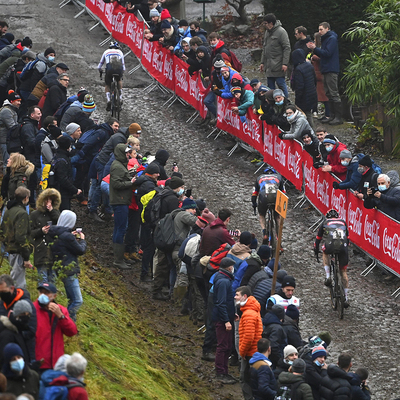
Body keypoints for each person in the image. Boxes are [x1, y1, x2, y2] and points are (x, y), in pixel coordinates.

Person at [49, 211, 86, 321]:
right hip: (68, 269)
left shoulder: (53, 231)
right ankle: (67, 322)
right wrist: (82, 240)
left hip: (58, 267)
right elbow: (81, 250)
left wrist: (71, 236)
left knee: (72, 298)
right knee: (77, 300)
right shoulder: (67, 237)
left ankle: (70, 323)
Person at [33, 282, 77, 371]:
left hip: (56, 364)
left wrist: (61, 316)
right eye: (41, 292)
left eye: (46, 292)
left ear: (54, 296)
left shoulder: (61, 310)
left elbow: (72, 332)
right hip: (38, 362)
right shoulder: (32, 309)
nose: (43, 295)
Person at [306, 22, 342, 125]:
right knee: (328, 92)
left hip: (331, 68)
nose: (319, 31)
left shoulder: (331, 39)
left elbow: (327, 53)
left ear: (327, 29)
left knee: (333, 92)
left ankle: (338, 117)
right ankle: (332, 115)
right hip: (326, 68)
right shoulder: (327, 39)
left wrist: (315, 49)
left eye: (321, 29)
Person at [314, 209, 350, 306]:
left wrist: (316, 251)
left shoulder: (325, 222)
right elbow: (348, 239)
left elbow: (318, 239)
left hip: (330, 245)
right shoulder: (343, 222)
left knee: (325, 253)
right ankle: (346, 298)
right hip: (343, 246)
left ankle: (328, 276)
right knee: (343, 272)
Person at [0, 275, 37, 364]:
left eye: (3, 292)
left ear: (12, 288)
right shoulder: (2, 305)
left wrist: (14, 334)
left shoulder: (25, 305)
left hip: (23, 351)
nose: (2, 295)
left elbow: (31, 331)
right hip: (4, 351)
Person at [110, 143, 136, 269]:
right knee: (121, 229)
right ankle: (118, 259)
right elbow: (116, 184)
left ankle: (118, 257)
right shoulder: (117, 166)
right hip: (120, 201)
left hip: (121, 200)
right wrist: (130, 182)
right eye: (126, 153)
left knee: (119, 228)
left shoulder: (120, 165)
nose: (128, 155)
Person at [1, 187, 33, 289]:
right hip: (18, 251)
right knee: (18, 284)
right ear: (26, 198)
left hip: (10, 249)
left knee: (14, 278)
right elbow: (21, 237)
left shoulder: (9, 211)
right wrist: (26, 257)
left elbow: (2, 229)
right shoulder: (22, 213)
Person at [235, 286, 263, 400]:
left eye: (237, 295)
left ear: (244, 296)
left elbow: (248, 337)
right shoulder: (251, 310)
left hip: (249, 353)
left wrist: (242, 352)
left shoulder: (248, 314)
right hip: (254, 352)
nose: (235, 297)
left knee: (244, 379)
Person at [212, 257, 236, 384]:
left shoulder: (221, 278)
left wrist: (233, 314)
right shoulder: (224, 282)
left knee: (226, 345)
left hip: (224, 317)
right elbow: (221, 303)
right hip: (222, 320)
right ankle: (220, 371)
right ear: (228, 268)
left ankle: (224, 371)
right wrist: (226, 320)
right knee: (223, 346)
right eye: (232, 266)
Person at [29, 188, 61, 283]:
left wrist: (52, 210)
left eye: (51, 200)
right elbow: (29, 233)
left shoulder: (56, 214)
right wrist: (41, 231)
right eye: (46, 200)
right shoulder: (34, 215)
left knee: (52, 282)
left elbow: (60, 225)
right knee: (43, 282)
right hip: (41, 251)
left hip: (53, 253)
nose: (48, 203)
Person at [260, 14, 291, 98]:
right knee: (270, 89)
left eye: (265, 23)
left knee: (281, 85)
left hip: (278, 65)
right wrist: (262, 62)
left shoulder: (281, 32)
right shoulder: (267, 32)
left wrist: (285, 63)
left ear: (271, 23)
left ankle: (286, 103)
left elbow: (287, 48)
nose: (264, 25)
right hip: (269, 66)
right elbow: (264, 48)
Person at [252, 167, 284, 244]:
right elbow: (284, 193)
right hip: (275, 197)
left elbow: (254, 194)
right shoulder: (279, 177)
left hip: (263, 197)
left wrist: (254, 204)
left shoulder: (259, 178)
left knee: (262, 215)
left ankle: (265, 233)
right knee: (277, 217)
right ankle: (279, 238)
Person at [51, 136, 82, 211]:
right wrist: (75, 190)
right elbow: (63, 179)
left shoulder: (57, 156)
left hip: (57, 189)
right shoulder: (63, 161)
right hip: (62, 192)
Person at [0, 299, 33, 365]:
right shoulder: (7, 334)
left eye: (28, 314)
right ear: (16, 315)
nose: (26, 317)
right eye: (23, 314)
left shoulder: (20, 331)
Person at [291, 48, 317, 128]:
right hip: (312, 93)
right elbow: (314, 80)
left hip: (304, 97)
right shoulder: (309, 65)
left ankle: (312, 133)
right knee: (309, 113)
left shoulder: (298, 70)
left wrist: (297, 100)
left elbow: (300, 86)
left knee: (306, 115)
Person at [98, 41, 125, 111]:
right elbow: (123, 66)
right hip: (118, 68)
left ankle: (108, 99)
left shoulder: (106, 51)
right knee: (119, 80)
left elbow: (100, 65)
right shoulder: (120, 52)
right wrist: (122, 73)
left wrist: (100, 70)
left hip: (109, 68)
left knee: (107, 84)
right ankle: (121, 97)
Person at [0, 90, 20, 171]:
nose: (19, 103)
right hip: (4, 140)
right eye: (17, 101)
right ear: (12, 101)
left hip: (8, 140)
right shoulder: (6, 111)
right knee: (7, 162)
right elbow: (12, 127)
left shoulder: (12, 110)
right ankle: (6, 181)